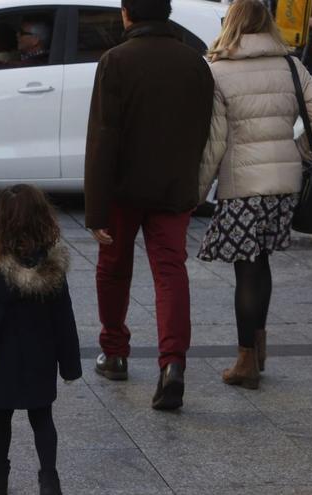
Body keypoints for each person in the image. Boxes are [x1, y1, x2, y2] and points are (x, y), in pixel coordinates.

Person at [198, 0, 312, 389]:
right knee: (263, 261)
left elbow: (214, 140)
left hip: (243, 187)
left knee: (247, 269)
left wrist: (198, 188)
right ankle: (258, 348)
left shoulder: (218, 70)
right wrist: (303, 152)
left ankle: (245, 360)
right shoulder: (291, 65)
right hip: (283, 186)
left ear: (233, 24)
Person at [83, 0, 214, 411]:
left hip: (123, 190)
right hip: (174, 188)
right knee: (170, 273)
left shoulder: (116, 61)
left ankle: (115, 351)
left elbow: (104, 137)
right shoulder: (195, 64)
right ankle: (173, 363)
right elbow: (203, 130)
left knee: (113, 267)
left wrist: (96, 209)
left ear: (127, 14)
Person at [0, 185, 81, 495]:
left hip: (0, 351)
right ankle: (49, 478)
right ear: (43, 218)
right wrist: (70, 366)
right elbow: (63, 318)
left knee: (0, 415)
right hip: (39, 354)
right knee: (42, 417)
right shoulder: (52, 265)